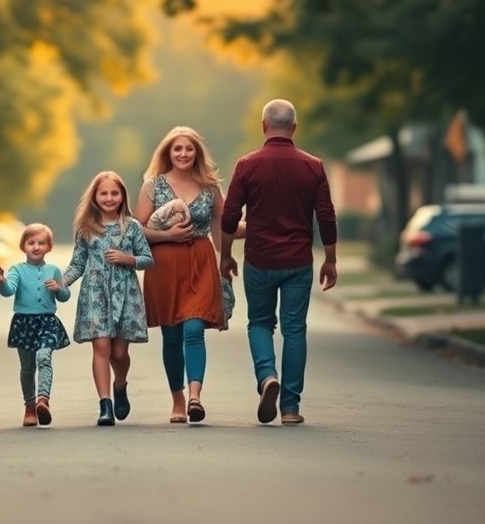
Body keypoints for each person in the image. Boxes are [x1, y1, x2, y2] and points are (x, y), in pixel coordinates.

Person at [220, 99, 338, 426]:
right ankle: (290, 407)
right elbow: (326, 217)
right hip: (298, 261)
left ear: (263, 126)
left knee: (259, 323)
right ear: (294, 128)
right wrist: (330, 259)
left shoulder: (247, 165)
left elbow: (230, 216)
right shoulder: (313, 166)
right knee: (294, 330)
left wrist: (226, 254)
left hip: (259, 259)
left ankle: (267, 376)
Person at [136, 126, 227, 424]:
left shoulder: (211, 188)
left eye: (189, 149)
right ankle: (177, 400)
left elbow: (219, 227)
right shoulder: (153, 186)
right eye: (177, 149)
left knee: (193, 329)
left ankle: (195, 396)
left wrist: (225, 258)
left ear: (197, 153)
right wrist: (168, 236)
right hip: (163, 265)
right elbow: (138, 231)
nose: (183, 154)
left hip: (200, 262)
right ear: (168, 153)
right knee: (172, 335)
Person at [61, 170, 154, 426]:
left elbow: (148, 259)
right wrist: (62, 281)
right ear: (95, 196)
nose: (109, 198)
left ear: (123, 196)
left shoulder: (132, 227)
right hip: (95, 294)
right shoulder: (86, 228)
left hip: (125, 295)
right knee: (101, 347)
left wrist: (128, 260)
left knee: (119, 353)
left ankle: (120, 384)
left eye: (115, 193)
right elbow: (77, 263)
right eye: (104, 193)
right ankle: (105, 404)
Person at [0, 223, 71, 427]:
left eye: (41, 243)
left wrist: (58, 289)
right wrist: (1, 280)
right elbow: (9, 290)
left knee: (44, 357)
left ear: (49, 247)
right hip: (24, 323)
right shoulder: (17, 269)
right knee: (27, 367)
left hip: (47, 321)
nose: (36, 247)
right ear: (23, 246)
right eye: (31, 243)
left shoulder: (53, 270)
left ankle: (43, 400)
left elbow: (65, 296)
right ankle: (29, 406)